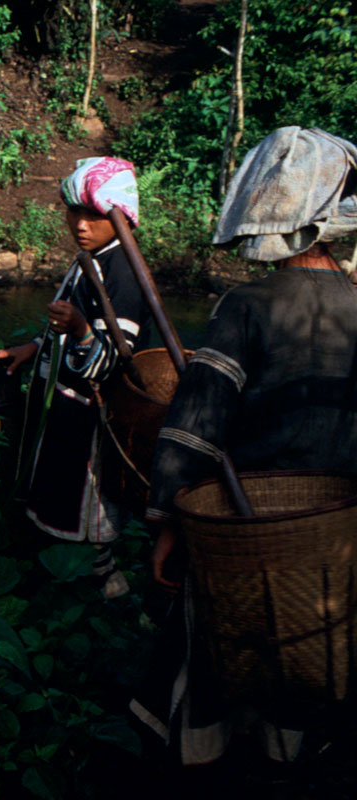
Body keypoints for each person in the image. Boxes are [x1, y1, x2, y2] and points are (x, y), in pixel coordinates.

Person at [134, 126, 357, 765]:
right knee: (306, 638)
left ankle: (206, 758)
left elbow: (196, 421)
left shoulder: (247, 305)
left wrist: (169, 517)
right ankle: (287, 756)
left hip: (243, 520)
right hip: (331, 531)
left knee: (221, 634)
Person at [0, 157, 149, 598]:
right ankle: (60, 582)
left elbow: (113, 360)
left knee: (87, 504)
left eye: (93, 215)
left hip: (92, 415)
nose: (80, 224)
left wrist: (79, 328)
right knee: (57, 491)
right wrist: (33, 347)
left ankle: (106, 589)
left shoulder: (125, 273)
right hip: (64, 404)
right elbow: (63, 328)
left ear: (121, 215)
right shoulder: (89, 259)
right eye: (73, 212)